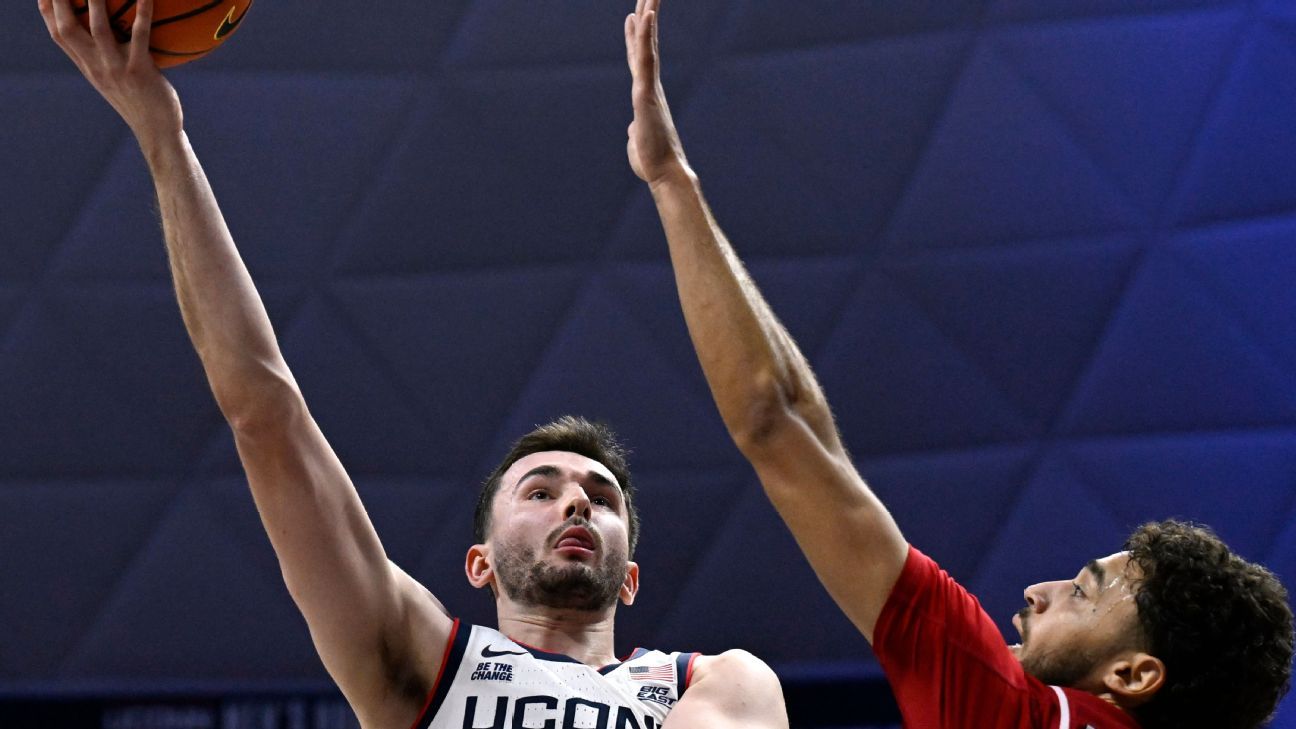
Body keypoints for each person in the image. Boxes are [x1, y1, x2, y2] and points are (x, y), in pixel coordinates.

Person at [38, 1, 790, 728]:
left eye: (601, 495)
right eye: (541, 488)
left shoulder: (718, 680)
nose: (576, 503)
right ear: (480, 563)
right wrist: (161, 134)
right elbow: (264, 411)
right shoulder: (422, 659)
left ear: (630, 576)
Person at [622, 0, 1295, 727]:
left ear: (1133, 673)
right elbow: (801, 424)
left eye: (1086, 590)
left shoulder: (1012, 711)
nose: (1040, 589)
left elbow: (772, 421)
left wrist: (670, 180)